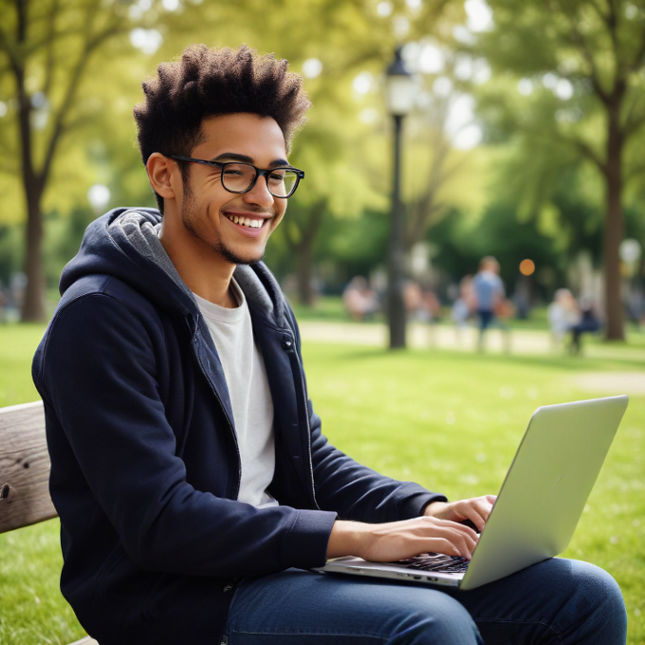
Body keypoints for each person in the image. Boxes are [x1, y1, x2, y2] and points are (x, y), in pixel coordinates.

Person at [32, 44, 626, 645]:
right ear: (165, 173)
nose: (263, 196)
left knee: (581, 598)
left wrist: (422, 511)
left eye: (276, 173)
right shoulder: (101, 318)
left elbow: (309, 460)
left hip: (281, 564)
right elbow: (160, 520)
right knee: (430, 628)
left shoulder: (260, 298)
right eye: (234, 170)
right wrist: (361, 539)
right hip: (172, 597)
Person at [472, 256, 505, 351]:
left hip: (482, 306)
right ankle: (503, 346)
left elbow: (474, 293)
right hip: (490, 307)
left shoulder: (478, 278)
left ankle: (480, 346)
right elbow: (498, 295)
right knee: (498, 326)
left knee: (482, 328)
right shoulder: (494, 279)